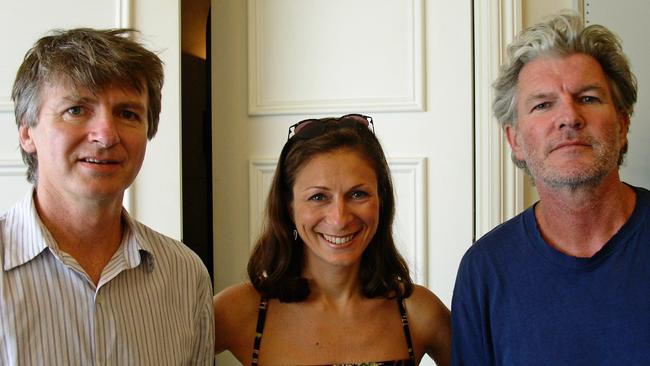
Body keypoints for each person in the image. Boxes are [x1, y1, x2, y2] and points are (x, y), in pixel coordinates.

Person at [0, 28, 214, 365]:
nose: (106, 135)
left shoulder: (186, 277)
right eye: (76, 110)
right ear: (27, 133)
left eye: (128, 114)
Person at [451, 11, 650, 365]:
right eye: (543, 104)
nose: (569, 117)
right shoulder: (485, 271)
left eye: (588, 98)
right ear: (515, 140)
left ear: (622, 124)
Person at [213, 114, 451, 365]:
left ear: (381, 200)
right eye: (318, 197)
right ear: (289, 205)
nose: (339, 218)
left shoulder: (418, 312)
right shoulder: (239, 311)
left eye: (358, 194)